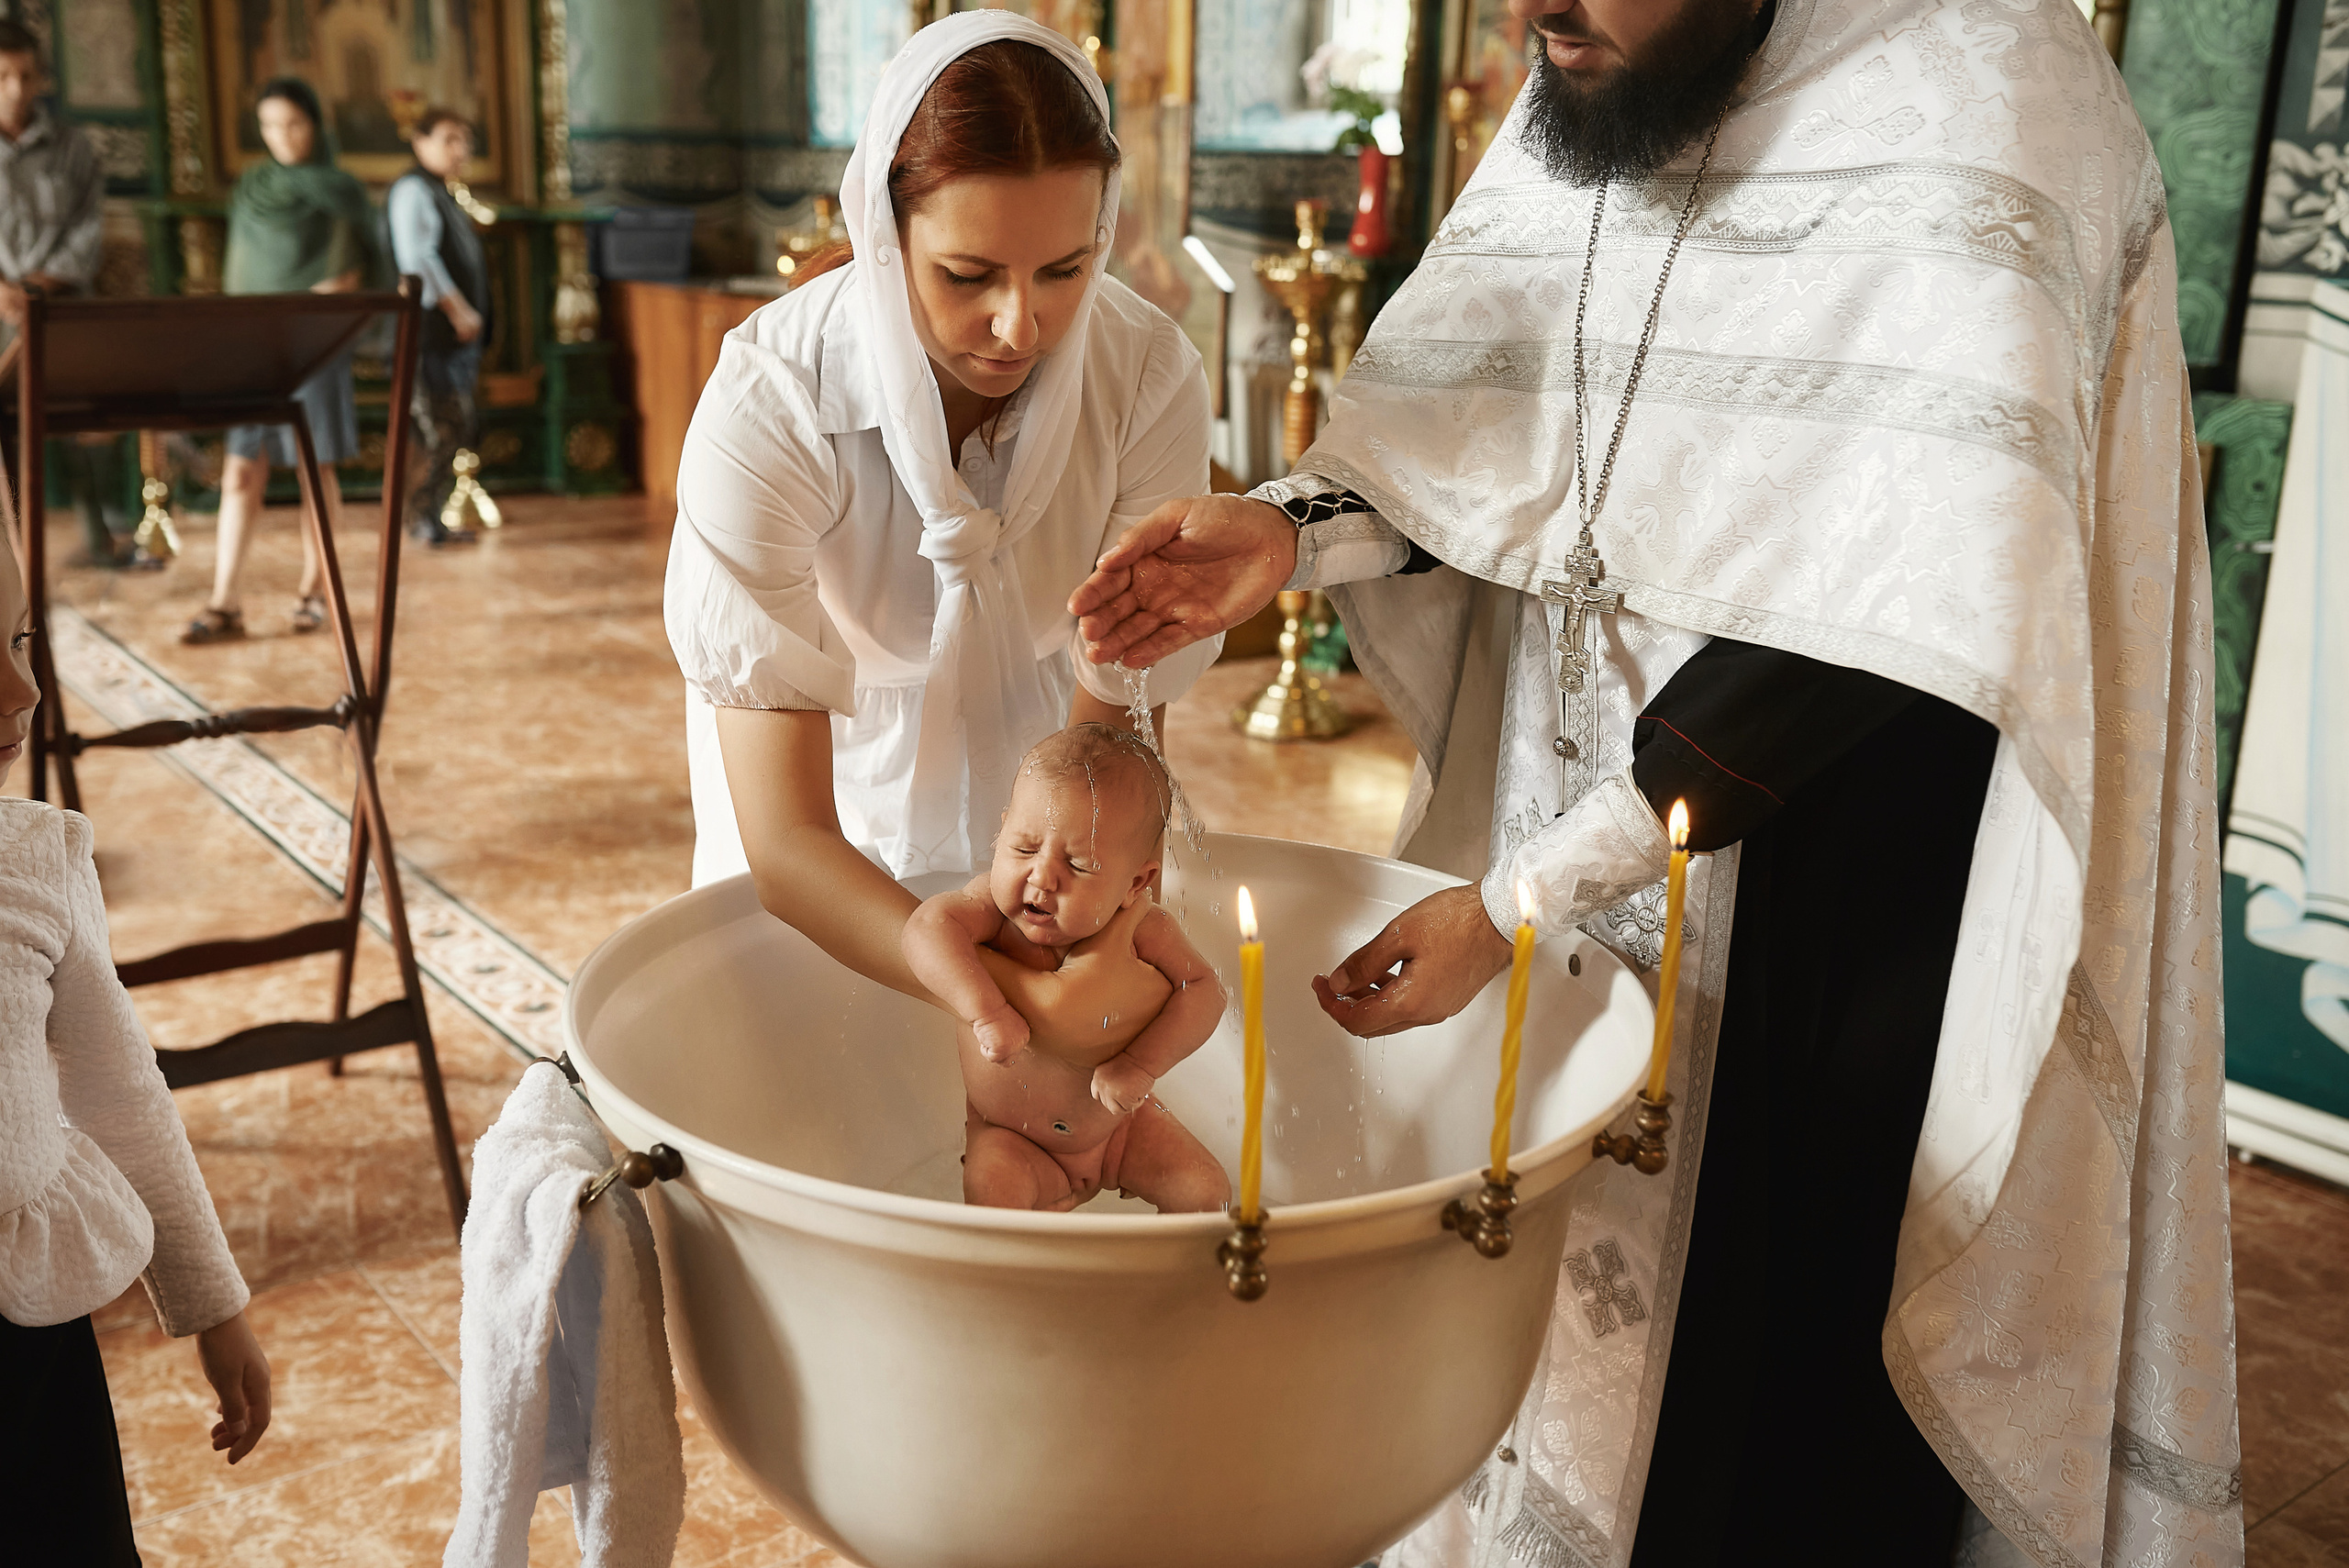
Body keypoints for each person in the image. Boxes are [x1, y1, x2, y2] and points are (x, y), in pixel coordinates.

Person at [1071, 2, 2241, 1565]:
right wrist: (1292, 532)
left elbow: (1899, 605)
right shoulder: (1608, 68)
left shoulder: (1992, 87)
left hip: (1839, 896)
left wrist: (1525, 892)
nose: (1533, 10)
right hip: (1571, 821)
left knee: (1764, 1409)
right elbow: (1488, 427)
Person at [662, 15, 1221, 1017]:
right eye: (968, 275)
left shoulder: (1144, 377)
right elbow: (788, 843)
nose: (1020, 326)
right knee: (817, 1063)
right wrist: (994, 988)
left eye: (1066, 269)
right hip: (822, 808)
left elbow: (1103, 769)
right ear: (885, 238)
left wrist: (1065, 959)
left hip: (1052, 798)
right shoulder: (774, 398)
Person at [0, 535, 273, 1563]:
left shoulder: (35, 859)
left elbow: (122, 1092)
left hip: (28, 1353)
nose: (22, 689)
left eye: (20, 639)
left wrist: (212, 1301)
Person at [905, 723, 1229, 1213]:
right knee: (994, 1203)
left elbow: (1204, 990)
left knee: (1207, 1193)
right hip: (1010, 1137)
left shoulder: (1141, 925)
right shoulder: (989, 910)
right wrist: (987, 1012)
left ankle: (1157, 1265)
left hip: (1118, 1130)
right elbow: (925, 927)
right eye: (1024, 848)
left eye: (1078, 866)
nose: (1041, 876)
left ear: (1135, 884)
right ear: (1001, 832)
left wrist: (1141, 1065)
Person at [184, 77, 376, 645]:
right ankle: (224, 602)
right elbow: (243, 270)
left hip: (315, 345)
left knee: (315, 470)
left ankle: (316, 591)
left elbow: (347, 276)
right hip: (253, 347)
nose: (282, 136)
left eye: (293, 123)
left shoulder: (340, 190)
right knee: (241, 471)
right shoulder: (252, 187)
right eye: (269, 125)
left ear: (314, 125)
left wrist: (298, 319)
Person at [0, 22, 159, 573]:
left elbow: (87, 231)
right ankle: (12, 555)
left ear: (41, 78)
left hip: (62, 308)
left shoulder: (73, 147)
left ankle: (100, 536)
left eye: (25, 75)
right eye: (2, 75)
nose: (15, 88)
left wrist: (34, 288)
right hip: (0, 313)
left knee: (78, 420)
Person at [386, 107, 488, 548]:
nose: (460, 149)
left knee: (450, 426)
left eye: (464, 139)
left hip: (444, 339)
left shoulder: (442, 191)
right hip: (427, 335)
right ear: (419, 142)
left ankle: (426, 518)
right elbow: (417, 259)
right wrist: (458, 310)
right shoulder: (413, 190)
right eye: (449, 139)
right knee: (440, 430)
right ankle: (420, 519)